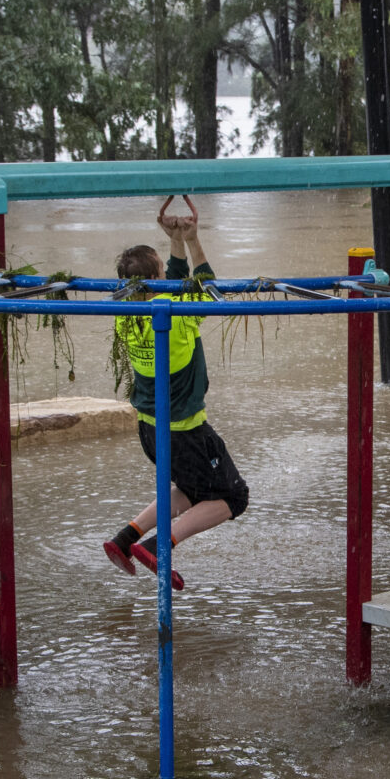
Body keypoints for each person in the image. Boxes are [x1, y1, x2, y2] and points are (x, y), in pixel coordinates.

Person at [102, 197, 250, 590]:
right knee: (233, 497)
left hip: (150, 429)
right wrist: (194, 239)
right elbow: (208, 288)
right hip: (185, 430)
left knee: (189, 489)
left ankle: (126, 539)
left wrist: (176, 240)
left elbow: (176, 281)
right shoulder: (177, 313)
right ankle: (158, 546)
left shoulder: (124, 315)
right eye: (163, 270)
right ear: (156, 278)